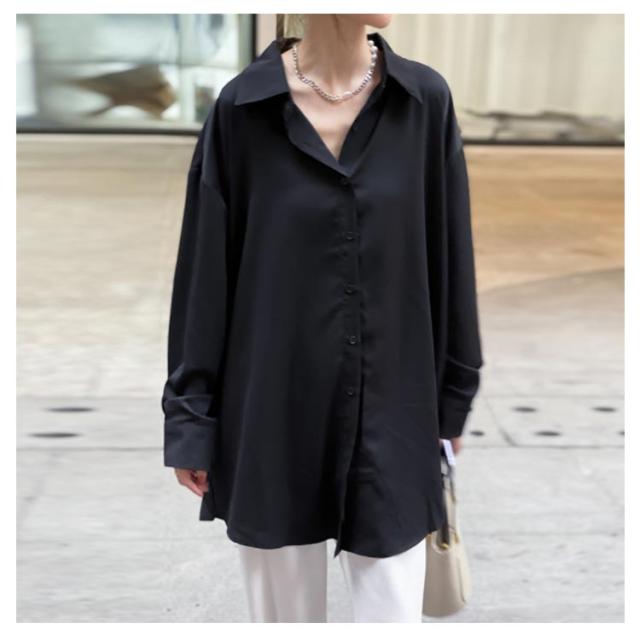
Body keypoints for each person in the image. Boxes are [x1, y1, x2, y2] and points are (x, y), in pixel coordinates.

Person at [162, 13, 483, 623]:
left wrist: (453, 394)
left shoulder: (423, 102)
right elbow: (204, 276)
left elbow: (450, 256)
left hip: (395, 410)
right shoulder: (242, 109)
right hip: (270, 412)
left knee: (392, 614)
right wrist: (191, 417)